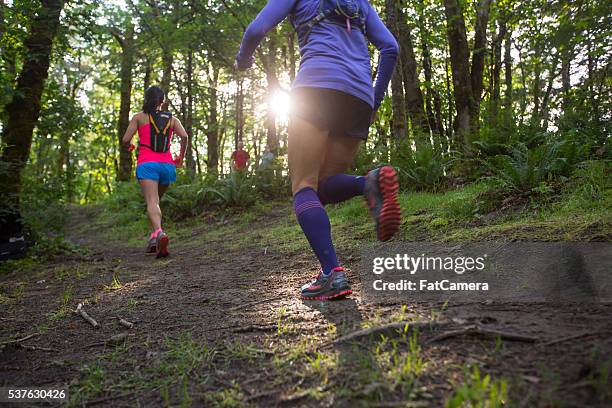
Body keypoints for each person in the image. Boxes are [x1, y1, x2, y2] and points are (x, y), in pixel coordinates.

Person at [236, 0, 401, 300]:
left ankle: (332, 273)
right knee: (322, 187)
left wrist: (243, 60)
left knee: (303, 186)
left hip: (317, 86)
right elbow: (390, 47)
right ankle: (368, 184)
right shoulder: (360, 2)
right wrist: (374, 100)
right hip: (359, 94)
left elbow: (256, 29)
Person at [122, 86, 189, 258]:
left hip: (148, 164)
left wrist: (130, 146)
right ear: (163, 101)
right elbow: (185, 137)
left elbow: (125, 139)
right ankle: (154, 238)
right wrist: (180, 157)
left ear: (146, 99)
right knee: (156, 202)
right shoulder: (172, 119)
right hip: (167, 167)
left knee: (152, 202)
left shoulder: (138, 117)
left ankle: (159, 233)